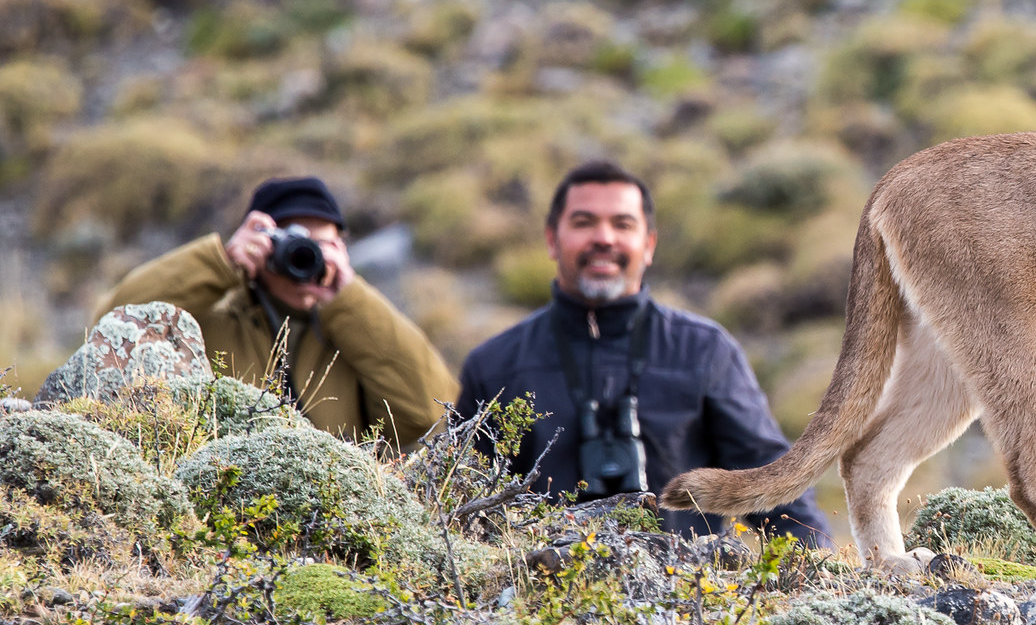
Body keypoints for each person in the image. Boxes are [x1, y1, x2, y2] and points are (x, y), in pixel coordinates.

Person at [454, 159, 831, 545]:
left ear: (649, 244)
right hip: (538, 596)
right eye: (584, 222)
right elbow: (460, 505)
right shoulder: (495, 365)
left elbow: (770, 481)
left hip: (689, 596)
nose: (604, 238)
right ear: (552, 239)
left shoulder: (704, 351)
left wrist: (819, 572)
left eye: (623, 224)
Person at [93, 176, 458, 448]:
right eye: (292, 242)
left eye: (322, 245)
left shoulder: (356, 336)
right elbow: (115, 324)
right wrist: (221, 263)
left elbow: (426, 416)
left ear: (342, 250)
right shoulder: (206, 322)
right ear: (258, 243)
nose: (305, 257)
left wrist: (351, 298)